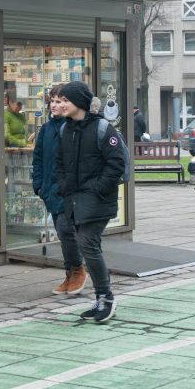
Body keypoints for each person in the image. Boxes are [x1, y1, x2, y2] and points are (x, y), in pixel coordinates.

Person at [56, 81, 126, 323]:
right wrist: (64, 186)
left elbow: (116, 163)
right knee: (82, 243)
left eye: (66, 100)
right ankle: (101, 298)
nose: (61, 104)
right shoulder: (65, 129)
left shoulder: (103, 128)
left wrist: (97, 189)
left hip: (97, 199)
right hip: (74, 198)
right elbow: (61, 163)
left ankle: (106, 298)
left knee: (88, 243)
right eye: (60, 100)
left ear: (79, 103)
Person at [32, 85, 87, 295]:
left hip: (68, 191)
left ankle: (78, 269)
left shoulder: (74, 126)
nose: (55, 105)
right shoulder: (46, 129)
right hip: (50, 191)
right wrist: (39, 185)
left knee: (66, 230)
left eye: (59, 101)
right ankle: (69, 274)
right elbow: (38, 158)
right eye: (52, 102)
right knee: (63, 233)